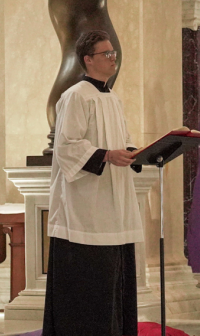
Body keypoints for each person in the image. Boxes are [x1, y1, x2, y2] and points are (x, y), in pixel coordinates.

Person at [42, 30, 143, 336]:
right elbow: (67, 147)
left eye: (114, 54)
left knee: (114, 282)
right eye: (106, 54)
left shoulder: (113, 98)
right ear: (88, 60)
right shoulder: (75, 96)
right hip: (84, 208)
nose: (114, 59)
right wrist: (107, 155)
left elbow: (121, 142)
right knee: (87, 288)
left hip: (113, 204)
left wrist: (135, 153)